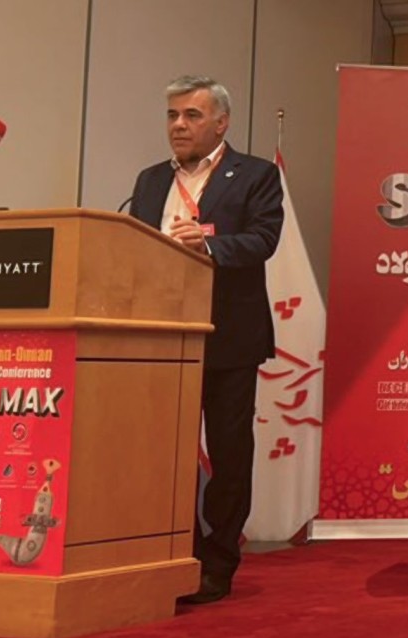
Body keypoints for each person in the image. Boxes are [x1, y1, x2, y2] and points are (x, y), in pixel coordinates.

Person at [129, 75, 283, 604]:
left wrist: (210, 244)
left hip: (228, 337)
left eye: (191, 115)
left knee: (229, 454)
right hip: (161, 336)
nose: (178, 125)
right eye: (172, 115)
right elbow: (133, 244)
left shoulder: (256, 175)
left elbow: (263, 240)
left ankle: (219, 561)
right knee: (166, 454)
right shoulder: (150, 180)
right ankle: (179, 553)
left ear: (221, 122)